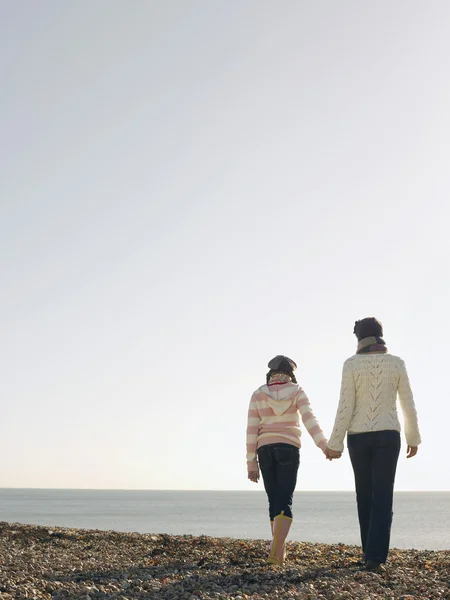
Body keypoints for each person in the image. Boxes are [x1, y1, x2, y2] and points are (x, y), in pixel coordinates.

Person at [326, 318, 421, 572]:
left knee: (364, 495)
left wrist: (334, 443)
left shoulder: (351, 365)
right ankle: (375, 557)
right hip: (389, 436)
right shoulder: (397, 363)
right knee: (383, 496)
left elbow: (345, 406)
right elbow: (407, 403)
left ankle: (370, 553)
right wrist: (413, 437)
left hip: (358, 436)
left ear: (359, 339)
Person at [247, 355, 327, 565]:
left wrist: (250, 462)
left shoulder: (258, 394)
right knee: (285, 499)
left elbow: (251, 430)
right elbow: (310, 421)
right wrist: (324, 446)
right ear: (291, 373)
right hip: (288, 449)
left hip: (264, 450)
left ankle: (278, 551)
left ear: (270, 373)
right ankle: (276, 551)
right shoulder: (297, 391)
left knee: (273, 499)